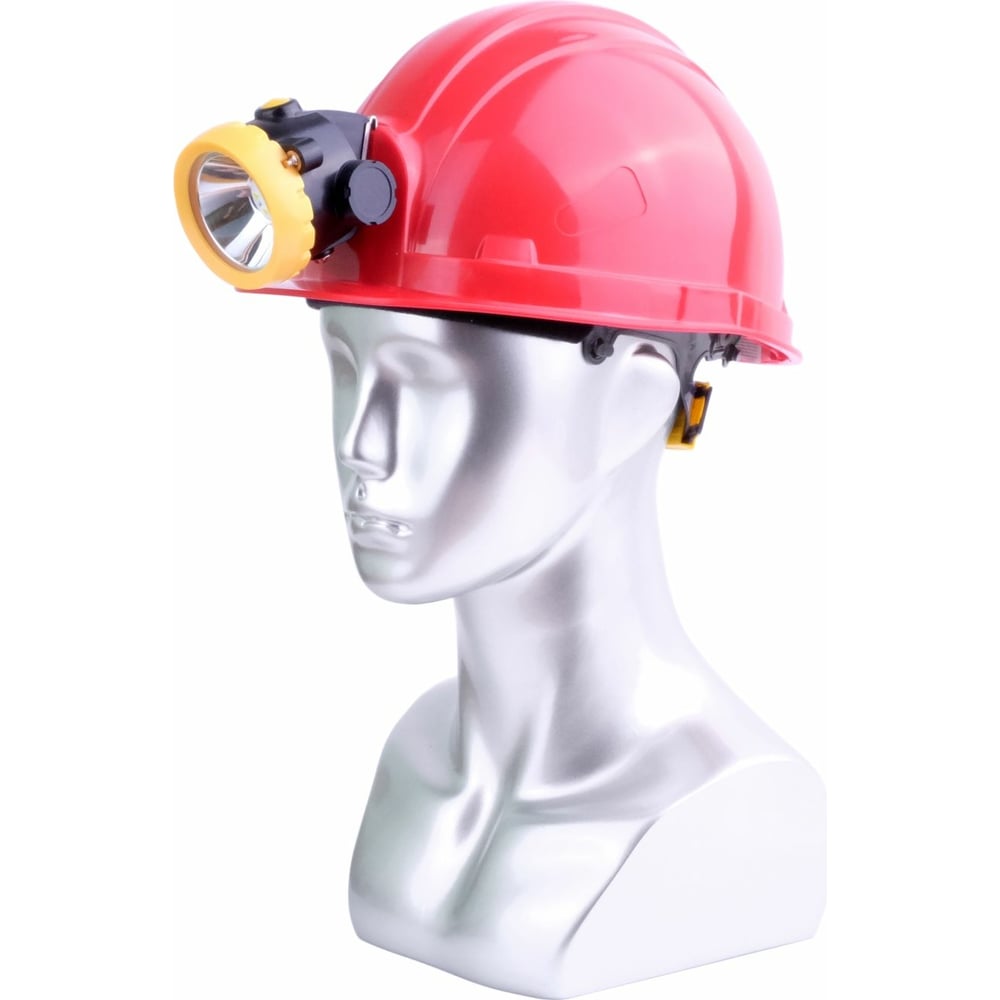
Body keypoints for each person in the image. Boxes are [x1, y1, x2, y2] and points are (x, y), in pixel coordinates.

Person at [174, 4, 824, 995]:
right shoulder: (417, 759)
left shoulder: (734, 807)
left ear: (636, 398)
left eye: (432, 383)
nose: (363, 442)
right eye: (345, 367)